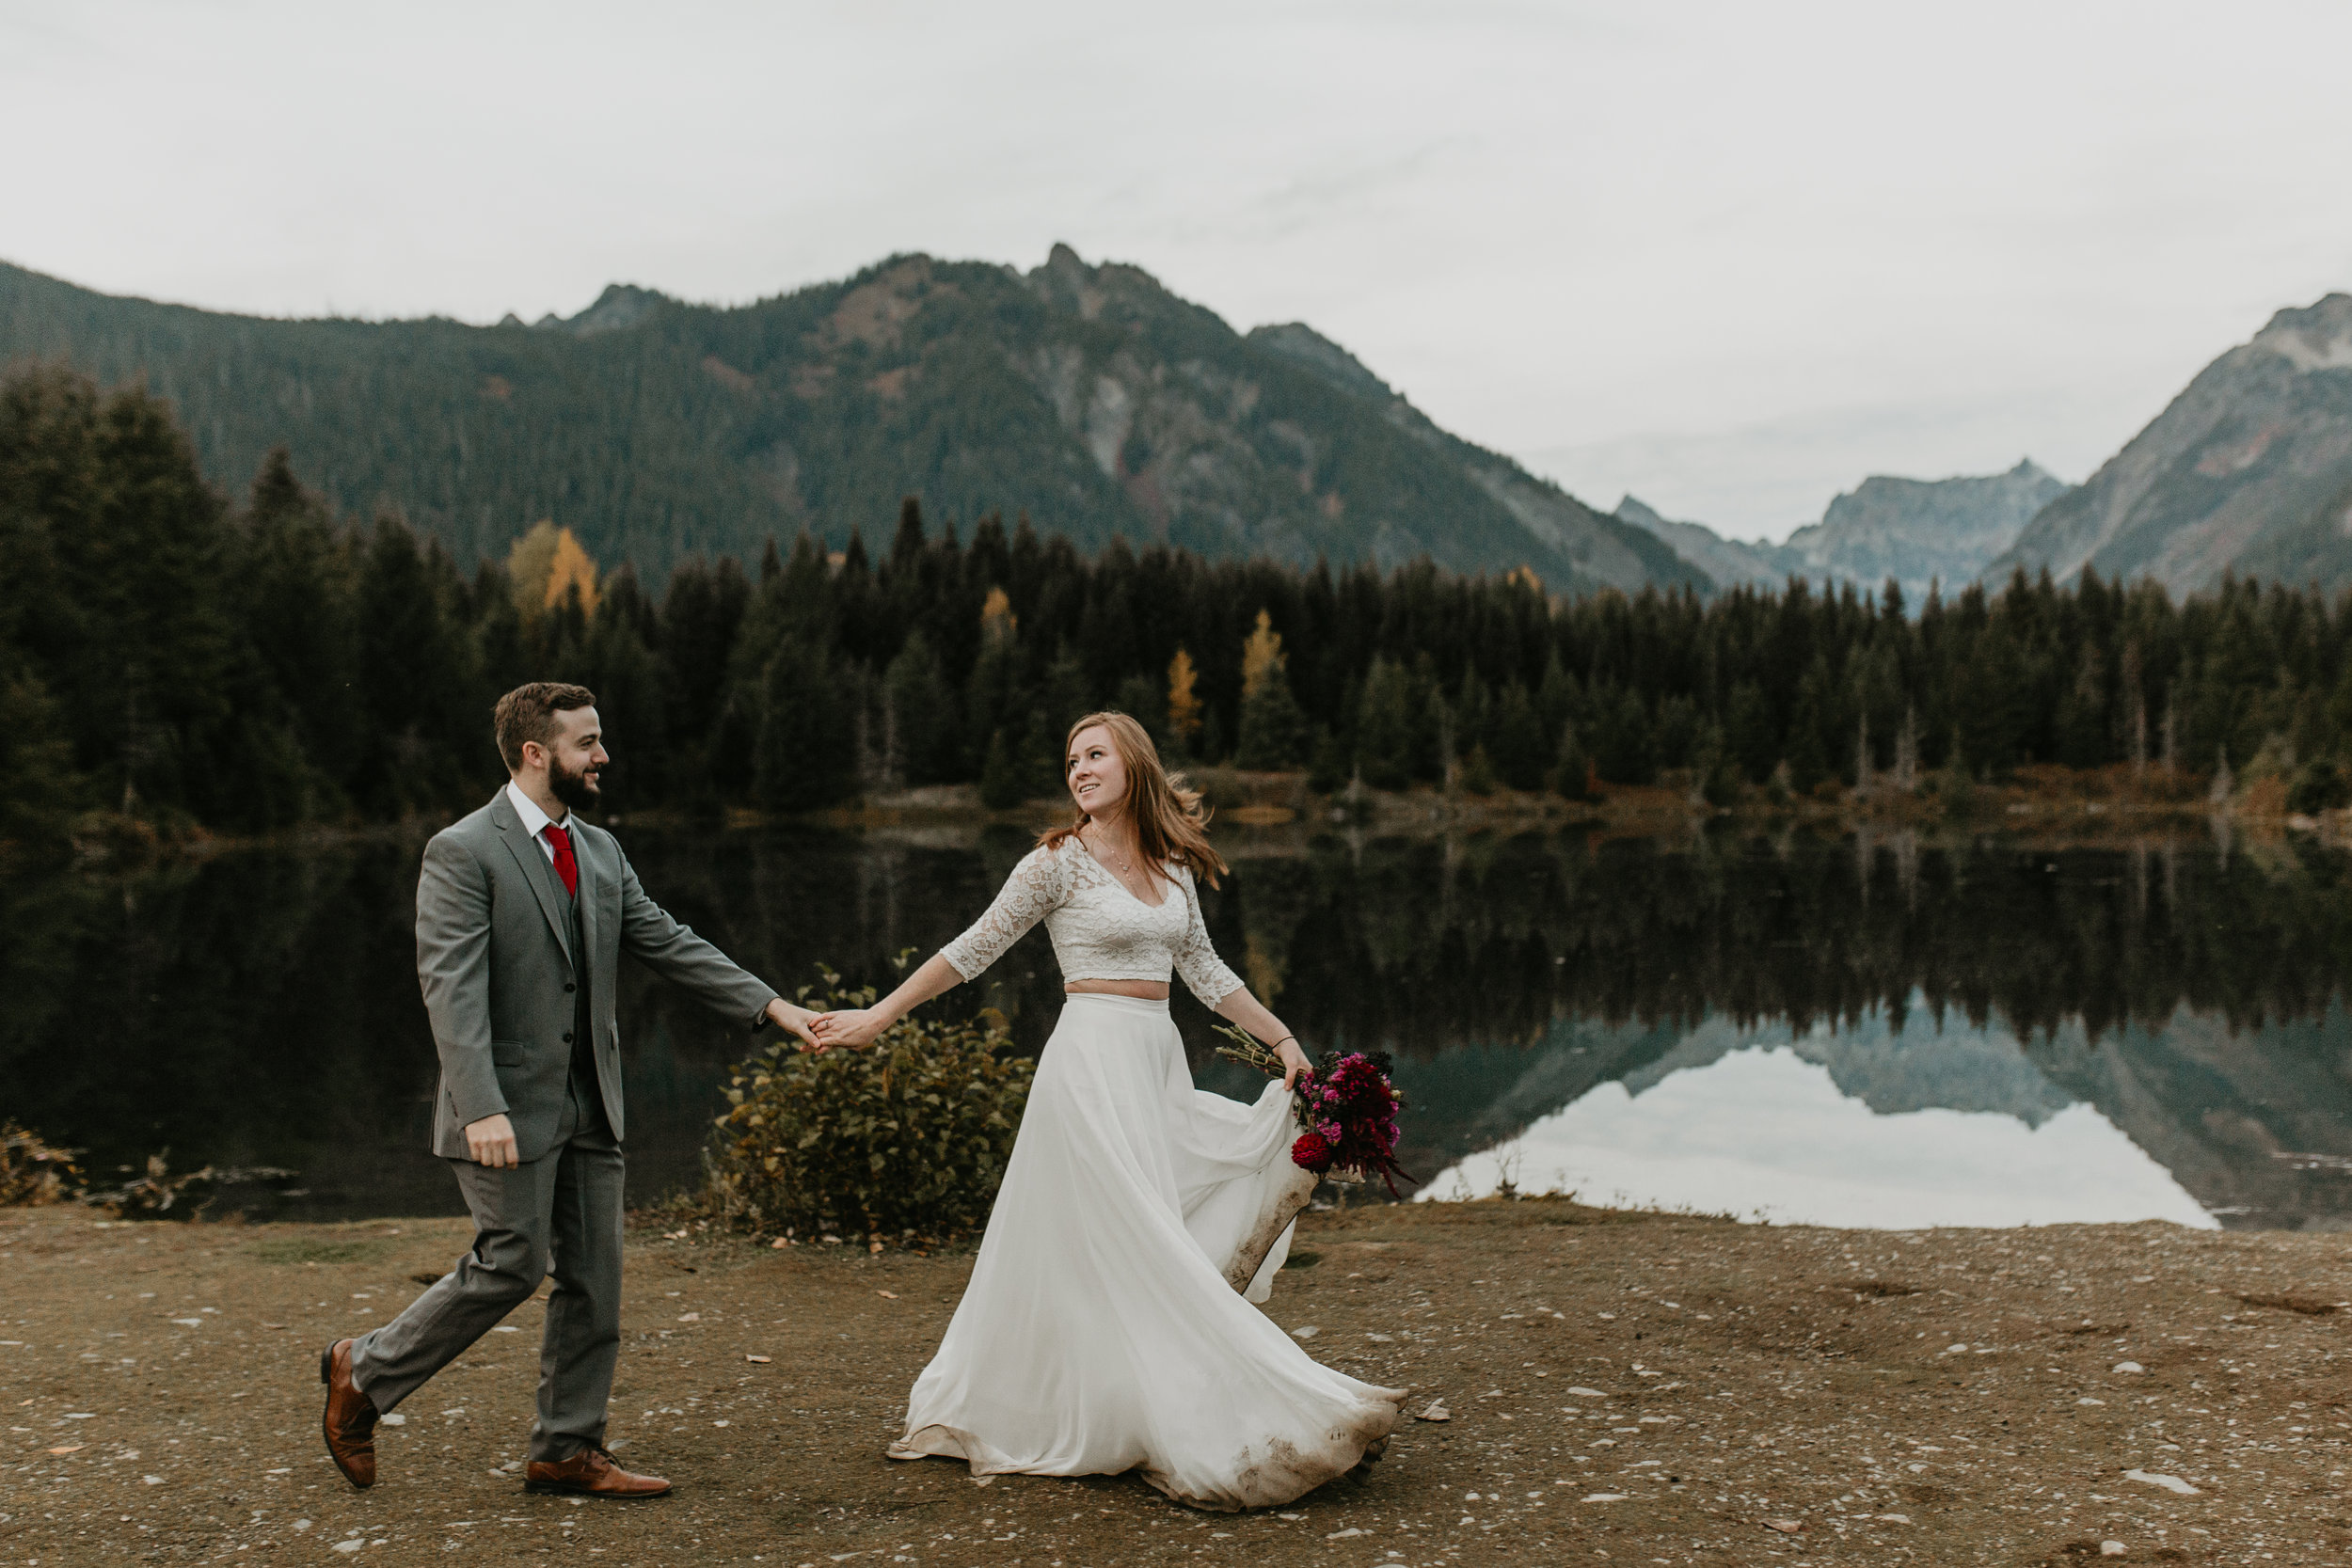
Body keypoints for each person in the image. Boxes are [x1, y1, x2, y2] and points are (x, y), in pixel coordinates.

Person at [809, 711, 1405, 1511]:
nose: (1079, 769)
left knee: (1132, 1238)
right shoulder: (1054, 862)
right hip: (1087, 1064)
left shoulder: (1171, 869)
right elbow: (973, 947)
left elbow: (1207, 972)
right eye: (1070, 759)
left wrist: (1286, 1039)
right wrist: (878, 1016)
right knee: (1145, 1239)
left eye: (1096, 754)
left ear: (1135, 764)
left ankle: (1124, 1401)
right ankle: (1233, 1405)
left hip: (1152, 1061)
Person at [319, 682, 821, 1497]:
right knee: (512, 1263)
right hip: (505, 1107)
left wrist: (772, 1006)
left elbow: (666, 938)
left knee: (597, 1276)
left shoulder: (599, 849)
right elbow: (449, 987)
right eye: (587, 742)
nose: (602, 755)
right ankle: (362, 1369)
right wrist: (480, 1102)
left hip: (594, 1102)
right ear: (534, 753)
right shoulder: (463, 849)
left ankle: (567, 1448)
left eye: (598, 739)